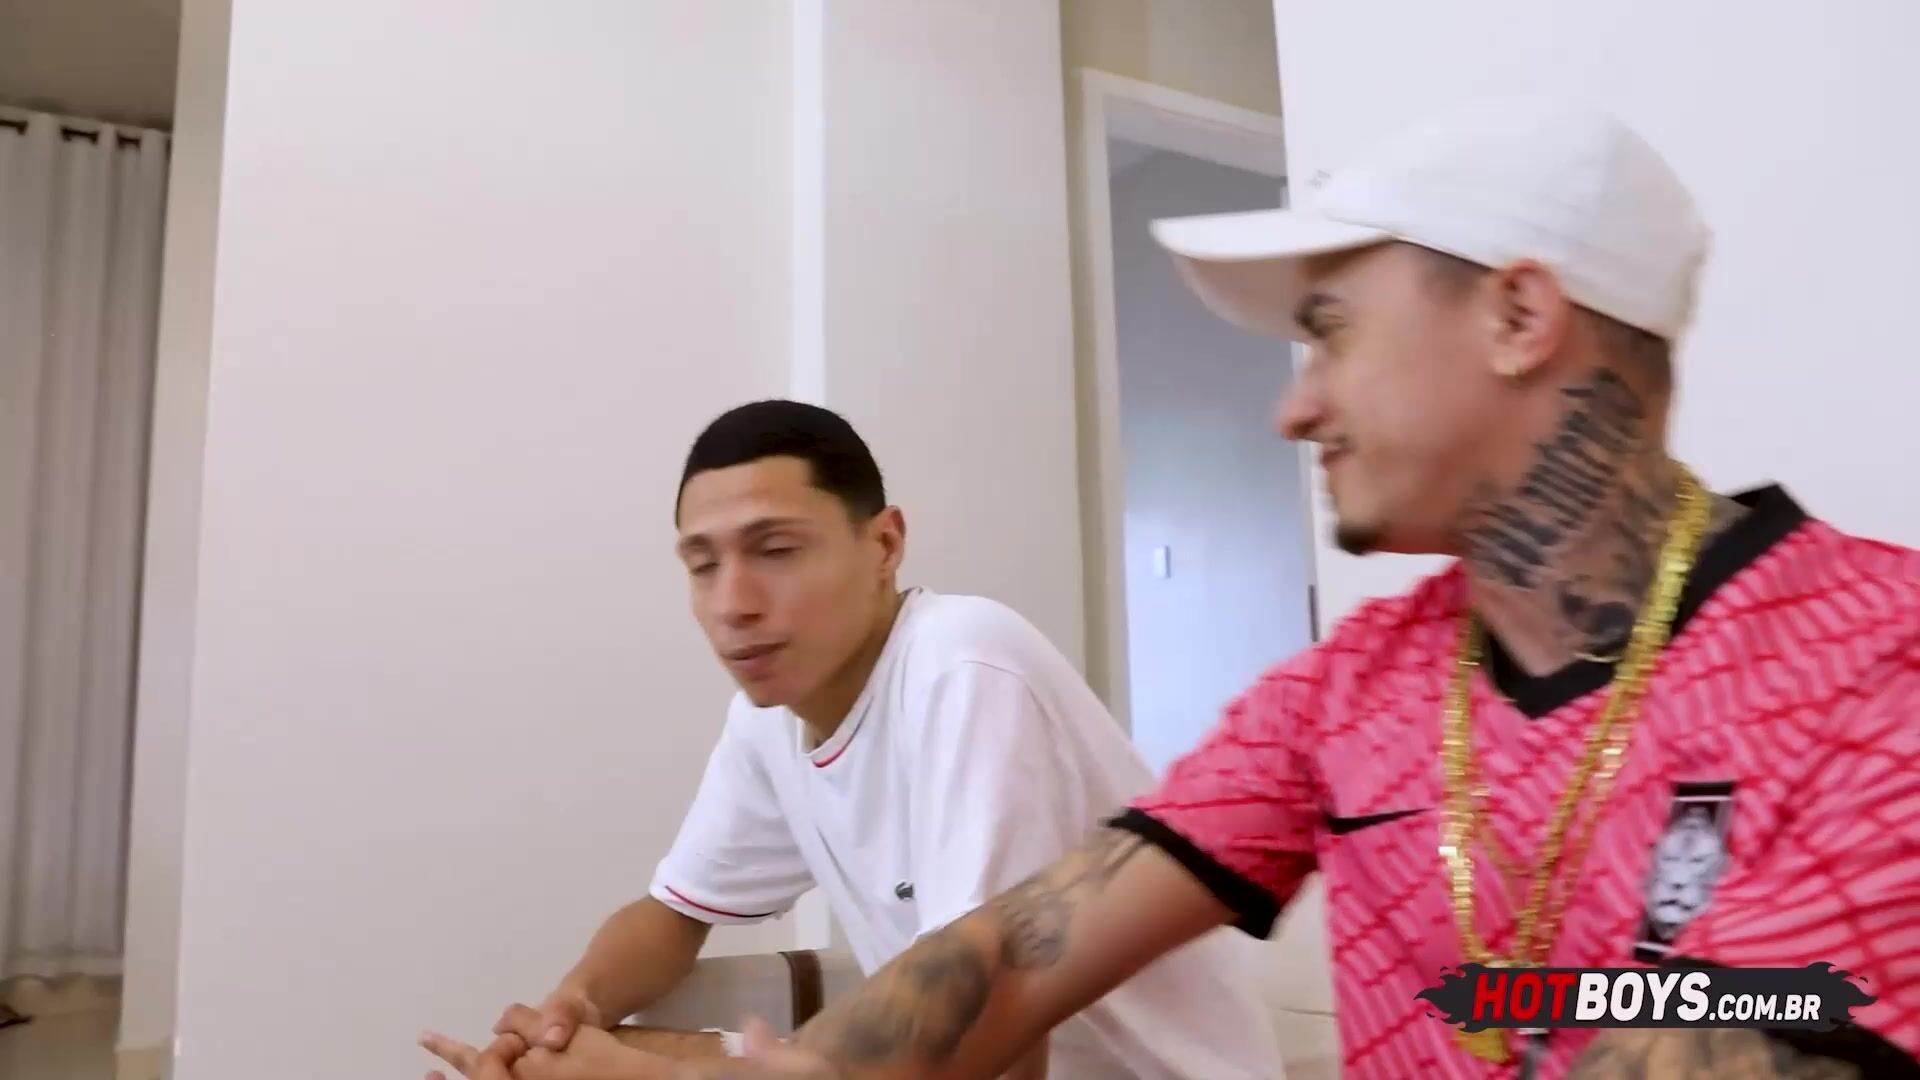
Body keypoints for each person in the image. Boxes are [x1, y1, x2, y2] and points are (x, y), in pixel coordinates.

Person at [485, 100, 1919, 1080]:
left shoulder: (1873, 654)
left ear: (1518, 316)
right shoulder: (1350, 689)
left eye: (1332, 332)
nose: (1296, 407)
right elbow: (1019, 953)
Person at [420, 400, 1284, 1080]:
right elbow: (674, 914)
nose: (733, 604)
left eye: (775, 550)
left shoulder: (962, 664)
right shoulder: (770, 715)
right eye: (703, 565)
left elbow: (997, 1039)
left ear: (884, 544)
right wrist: (566, 1014)